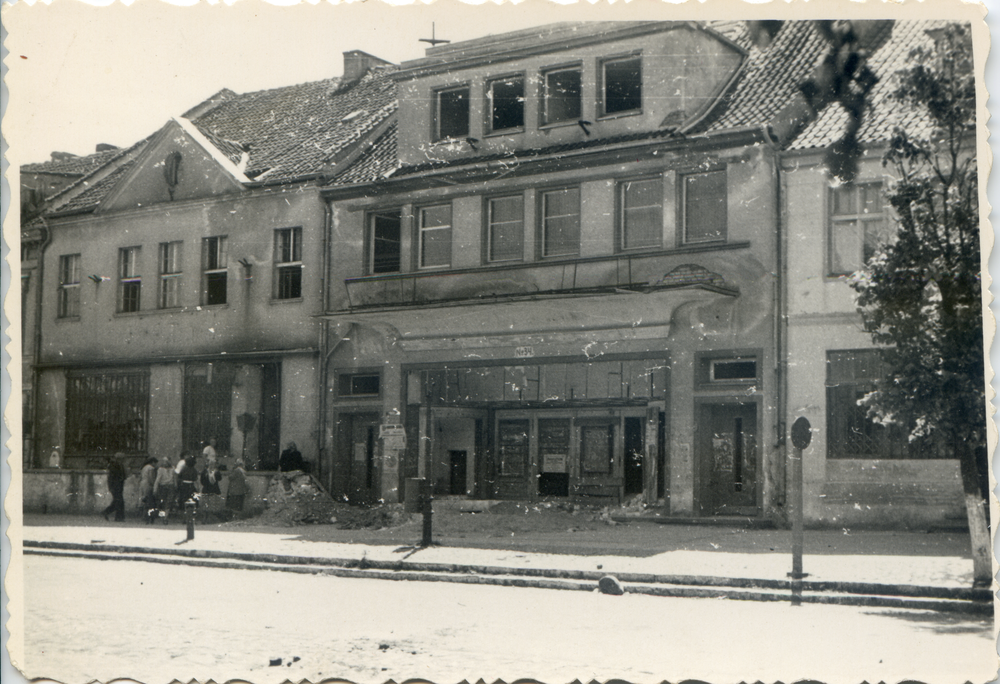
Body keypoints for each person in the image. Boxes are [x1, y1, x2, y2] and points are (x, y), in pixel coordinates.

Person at [101, 453, 127, 522]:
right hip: (116, 486)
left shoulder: (118, 465)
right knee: (119, 501)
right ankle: (116, 516)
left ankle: (112, 514)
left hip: (118, 486)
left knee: (118, 501)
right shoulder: (114, 466)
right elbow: (112, 478)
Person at [154, 456, 177, 523]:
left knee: (164, 501)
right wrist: (175, 486)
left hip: (163, 486)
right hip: (170, 486)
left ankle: (164, 517)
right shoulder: (172, 468)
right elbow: (174, 479)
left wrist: (155, 488)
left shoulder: (161, 469)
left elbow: (158, 479)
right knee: (168, 502)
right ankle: (165, 517)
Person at [139, 456, 158, 524]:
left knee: (144, 499)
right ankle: (147, 516)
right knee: (149, 500)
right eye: (155, 463)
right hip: (148, 484)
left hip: (142, 483)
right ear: (153, 462)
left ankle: (143, 515)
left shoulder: (144, 467)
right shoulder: (151, 468)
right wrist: (153, 484)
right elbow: (151, 477)